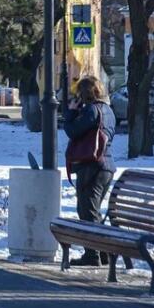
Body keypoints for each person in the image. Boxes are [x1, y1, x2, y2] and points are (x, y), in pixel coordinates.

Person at [64, 75, 116, 267]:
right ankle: (101, 253)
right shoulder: (107, 110)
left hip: (91, 165)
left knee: (87, 211)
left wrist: (70, 113)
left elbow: (72, 131)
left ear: (84, 94)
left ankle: (93, 255)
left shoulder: (91, 110)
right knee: (92, 211)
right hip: (106, 166)